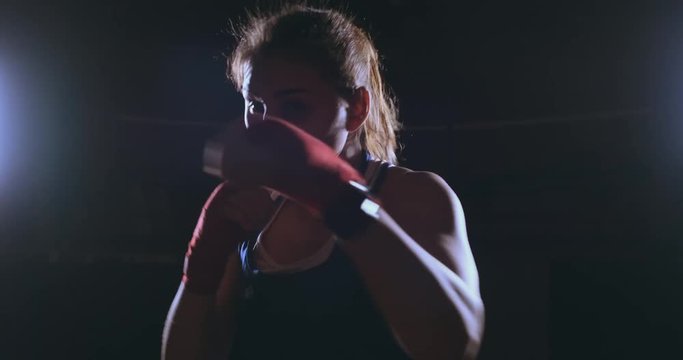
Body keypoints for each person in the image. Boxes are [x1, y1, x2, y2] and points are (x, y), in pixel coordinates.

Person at [162, 4, 484, 360]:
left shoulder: (413, 195)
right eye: (255, 106)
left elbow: (456, 346)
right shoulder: (252, 213)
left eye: (295, 106)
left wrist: (341, 199)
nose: (270, 126)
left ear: (357, 108)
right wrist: (201, 265)